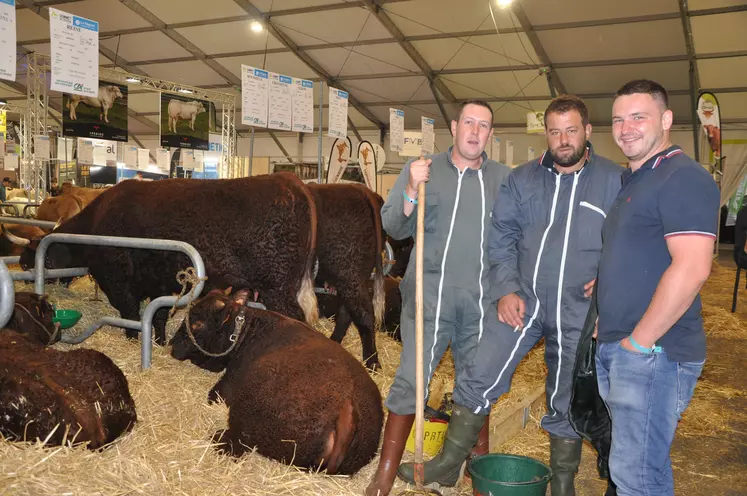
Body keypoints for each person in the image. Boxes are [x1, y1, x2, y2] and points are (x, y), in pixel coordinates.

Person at [400, 95, 624, 494]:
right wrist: (504, 289)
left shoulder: (614, 180)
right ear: (546, 135)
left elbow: (629, 239)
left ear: (587, 132)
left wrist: (611, 278)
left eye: (571, 130)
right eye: (554, 131)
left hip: (581, 308)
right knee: (478, 372)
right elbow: (501, 238)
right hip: (524, 301)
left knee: (566, 394)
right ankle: (449, 464)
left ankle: (563, 483)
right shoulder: (522, 179)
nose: (563, 139)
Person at [365, 100, 511, 496]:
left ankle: (475, 474)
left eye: (483, 126)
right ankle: (385, 474)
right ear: (454, 126)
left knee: (476, 386)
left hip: (482, 305)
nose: (475, 131)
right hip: (429, 298)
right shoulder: (424, 170)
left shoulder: (504, 179)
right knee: (411, 381)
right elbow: (393, 224)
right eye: (469, 123)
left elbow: (519, 237)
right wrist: (411, 188)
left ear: (490, 134)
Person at [595, 79, 719, 495]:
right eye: (618, 119)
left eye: (638, 117)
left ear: (666, 120)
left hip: (654, 354)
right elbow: (646, 254)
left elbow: (693, 268)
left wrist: (639, 344)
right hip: (626, 346)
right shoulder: (636, 180)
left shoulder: (682, 177)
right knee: (640, 468)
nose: (626, 127)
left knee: (637, 477)